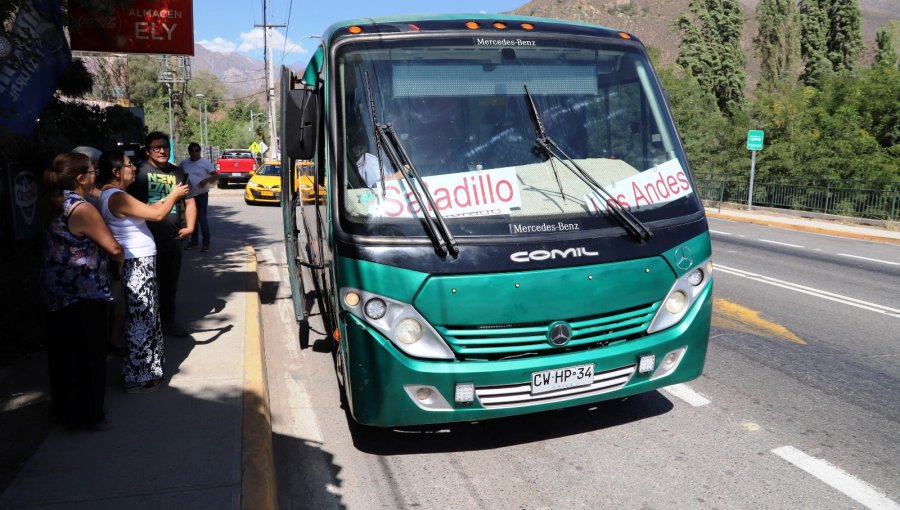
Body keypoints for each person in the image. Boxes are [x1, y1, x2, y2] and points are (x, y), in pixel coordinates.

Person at [39, 152, 124, 431]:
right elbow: (112, 247)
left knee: (63, 354)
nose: (94, 176)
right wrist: (121, 260)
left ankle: (66, 412)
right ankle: (92, 416)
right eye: (91, 171)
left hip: (55, 288)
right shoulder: (82, 208)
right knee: (90, 355)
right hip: (85, 291)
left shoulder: (53, 201)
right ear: (80, 178)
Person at [97, 150, 189, 393]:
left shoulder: (115, 195)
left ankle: (147, 372)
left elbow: (150, 208)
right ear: (116, 171)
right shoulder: (116, 196)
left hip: (139, 263)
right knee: (141, 320)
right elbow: (158, 214)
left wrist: (168, 197)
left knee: (145, 318)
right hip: (137, 263)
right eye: (128, 165)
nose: (134, 168)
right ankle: (139, 377)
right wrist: (175, 194)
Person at [126, 132, 196, 337]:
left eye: (165, 146)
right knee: (145, 285)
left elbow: (189, 202)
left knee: (169, 283)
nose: (162, 150)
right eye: (156, 147)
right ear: (147, 150)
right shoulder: (138, 172)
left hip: (172, 239)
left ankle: (168, 322)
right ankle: (147, 325)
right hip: (144, 238)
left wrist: (191, 226)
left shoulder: (178, 173)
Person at [179, 142, 217, 252]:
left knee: (202, 219)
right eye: (192, 150)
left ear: (199, 151)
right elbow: (178, 172)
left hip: (201, 195)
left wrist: (206, 180)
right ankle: (194, 242)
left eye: (196, 150)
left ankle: (206, 243)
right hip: (189, 195)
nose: (194, 153)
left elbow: (215, 175)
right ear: (189, 151)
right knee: (191, 220)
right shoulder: (184, 163)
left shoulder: (205, 163)